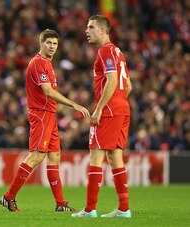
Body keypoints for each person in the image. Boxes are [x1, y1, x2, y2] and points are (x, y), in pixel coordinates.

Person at [0, 29, 90, 212]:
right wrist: (74, 105)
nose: (52, 47)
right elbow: (47, 91)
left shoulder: (47, 64)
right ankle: (8, 197)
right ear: (41, 43)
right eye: (49, 43)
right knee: (37, 155)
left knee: (54, 156)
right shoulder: (38, 63)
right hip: (40, 115)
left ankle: (60, 204)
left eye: (55, 44)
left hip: (50, 114)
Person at [71, 15, 132, 218]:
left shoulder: (105, 51)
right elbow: (128, 86)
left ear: (103, 31)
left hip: (109, 110)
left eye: (91, 27)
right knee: (115, 156)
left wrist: (100, 109)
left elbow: (112, 79)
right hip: (123, 108)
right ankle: (124, 209)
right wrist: (117, 102)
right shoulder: (118, 52)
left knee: (96, 155)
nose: (86, 31)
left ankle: (90, 209)